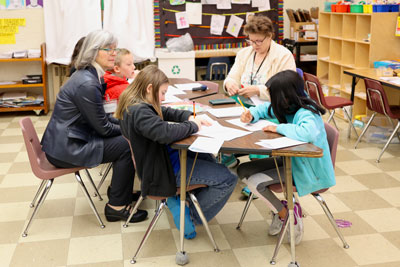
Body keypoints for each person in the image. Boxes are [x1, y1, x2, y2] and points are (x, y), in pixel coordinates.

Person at [115, 65, 238, 239]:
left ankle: (181, 199)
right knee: (228, 178)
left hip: (160, 161)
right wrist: (193, 125)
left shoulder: (135, 103)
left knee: (209, 160)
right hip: (163, 171)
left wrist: (187, 116)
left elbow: (163, 112)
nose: (164, 98)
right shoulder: (140, 112)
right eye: (163, 93)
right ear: (149, 88)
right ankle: (190, 215)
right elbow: (164, 133)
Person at [41, 30, 148, 223]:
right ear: (93, 51)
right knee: (126, 144)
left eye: (114, 49)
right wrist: (131, 129)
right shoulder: (87, 83)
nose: (114, 54)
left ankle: (119, 191)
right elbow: (104, 128)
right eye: (108, 49)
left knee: (126, 137)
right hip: (67, 148)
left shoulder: (89, 74)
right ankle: (117, 207)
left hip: (69, 139)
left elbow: (101, 121)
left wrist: (127, 124)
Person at [237, 70, 336, 245]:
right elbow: (265, 109)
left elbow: (306, 133)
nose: (272, 101)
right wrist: (252, 114)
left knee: (256, 182)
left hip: (307, 170)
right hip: (291, 161)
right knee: (243, 170)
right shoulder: (287, 105)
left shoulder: (307, 112)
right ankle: (283, 211)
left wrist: (278, 128)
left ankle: (286, 215)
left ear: (286, 96)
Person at [221, 15, 297, 168]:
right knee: (224, 120)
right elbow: (231, 77)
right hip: (244, 104)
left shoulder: (283, 56)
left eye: (258, 41)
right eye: (250, 40)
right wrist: (230, 84)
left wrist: (258, 90)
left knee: (259, 130)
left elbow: (287, 91)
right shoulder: (244, 53)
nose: (254, 45)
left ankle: (259, 172)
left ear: (269, 36)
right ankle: (228, 155)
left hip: (272, 108)